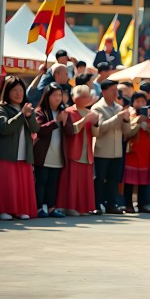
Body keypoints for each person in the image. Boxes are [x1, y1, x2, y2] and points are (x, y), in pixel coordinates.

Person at [0, 76, 40, 220]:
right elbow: (4, 128)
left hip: (24, 153)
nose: (18, 93)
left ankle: (21, 209)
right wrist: (22, 115)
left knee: (20, 184)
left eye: (21, 90)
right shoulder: (0, 107)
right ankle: (2, 210)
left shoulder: (27, 108)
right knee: (5, 184)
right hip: (5, 153)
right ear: (7, 92)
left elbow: (35, 128)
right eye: (14, 90)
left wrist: (29, 116)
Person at [91, 79, 138, 214]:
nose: (115, 93)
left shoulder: (119, 108)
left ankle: (111, 204)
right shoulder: (97, 108)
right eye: (112, 90)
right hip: (102, 150)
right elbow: (99, 130)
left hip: (117, 151)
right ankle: (97, 204)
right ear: (104, 91)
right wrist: (117, 118)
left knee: (114, 180)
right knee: (99, 179)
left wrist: (126, 120)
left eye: (116, 90)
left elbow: (127, 131)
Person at [56, 85, 98, 216]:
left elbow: (96, 133)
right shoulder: (69, 111)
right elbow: (71, 130)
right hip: (73, 151)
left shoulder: (90, 112)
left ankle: (83, 207)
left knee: (85, 181)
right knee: (72, 182)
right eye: (85, 96)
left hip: (87, 152)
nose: (88, 99)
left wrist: (96, 123)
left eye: (88, 96)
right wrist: (85, 120)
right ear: (76, 97)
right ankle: (70, 207)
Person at [33, 83, 69, 218]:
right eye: (55, 95)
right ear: (47, 96)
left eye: (60, 95)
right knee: (41, 181)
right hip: (43, 154)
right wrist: (56, 121)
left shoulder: (63, 112)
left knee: (53, 183)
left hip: (58, 154)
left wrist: (65, 122)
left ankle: (51, 208)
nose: (58, 98)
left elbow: (70, 131)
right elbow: (40, 130)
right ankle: (38, 208)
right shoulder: (40, 111)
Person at [122, 92, 150, 214]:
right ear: (133, 103)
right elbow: (128, 133)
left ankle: (142, 204)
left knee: (143, 181)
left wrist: (146, 128)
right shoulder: (130, 116)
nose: (140, 104)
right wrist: (137, 123)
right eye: (138, 101)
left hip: (145, 152)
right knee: (130, 181)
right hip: (132, 152)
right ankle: (128, 204)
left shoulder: (148, 118)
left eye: (143, 101)